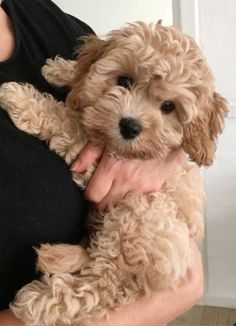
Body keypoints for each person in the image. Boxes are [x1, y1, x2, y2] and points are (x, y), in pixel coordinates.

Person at [0, 0, 203, 325]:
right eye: (124, 84)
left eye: (164, 104)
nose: (132, 113)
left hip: (153, 234)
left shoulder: (48, 20)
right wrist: (175, 295)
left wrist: (167, 157)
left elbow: (90, 92)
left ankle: (86, 290)